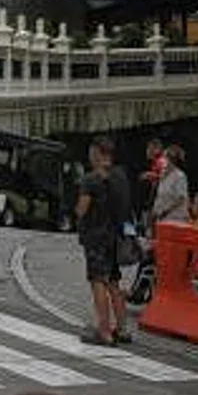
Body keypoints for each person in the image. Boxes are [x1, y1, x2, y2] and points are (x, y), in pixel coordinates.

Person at [74, 136, 134, 345]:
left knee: (97, 281)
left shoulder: (90, 180)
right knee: (114, 283)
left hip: (96, 238)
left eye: (91, 153)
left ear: (98, 153)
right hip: (115, 238)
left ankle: (104, 331)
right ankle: (122, 329)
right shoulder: (121, 177)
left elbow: (82, 209)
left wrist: (79, 213)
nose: (90, 157)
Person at [148, 143, 189, 229]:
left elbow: (181, 198)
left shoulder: (180, 176)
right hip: (161, 220)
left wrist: (165, 211)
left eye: (164, 158)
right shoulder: (163, 176)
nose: (162, 161)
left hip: (175, 220)